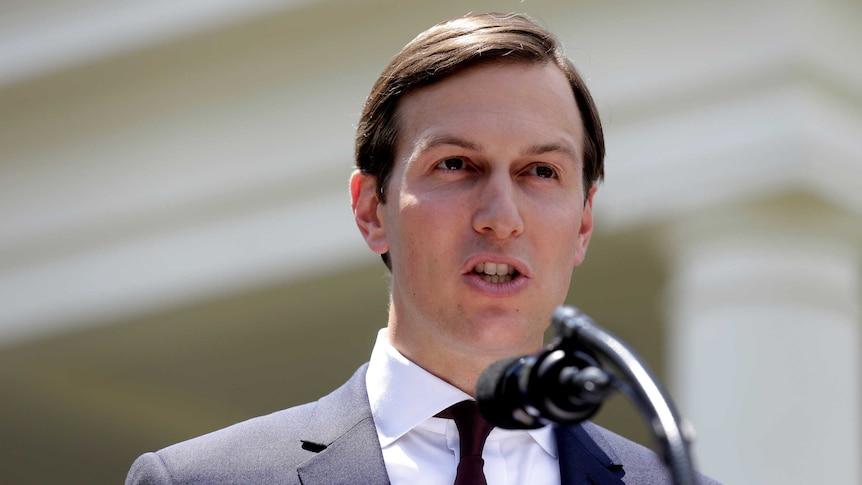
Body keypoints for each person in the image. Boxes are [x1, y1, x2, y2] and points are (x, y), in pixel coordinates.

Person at [126, 12, 719, 485]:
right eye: (456, 164)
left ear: (583, 223)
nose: (501, 218)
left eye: (540, 171)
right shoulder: (200, 480)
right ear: (371, 209)